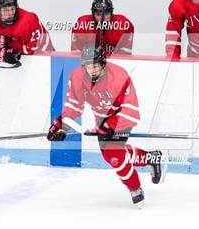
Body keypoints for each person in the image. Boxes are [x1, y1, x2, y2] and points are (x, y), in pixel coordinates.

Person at [47, 44, 166, 207]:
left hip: (122, 117)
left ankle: (135, 188)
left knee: (114, 155)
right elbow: (74, 106)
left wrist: (111, 125)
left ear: (103, 63)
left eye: (95, 65)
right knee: (113, 155)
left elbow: (131, 108)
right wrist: (61, 124)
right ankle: (152, 157)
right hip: (101, 119)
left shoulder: (119, 76)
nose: (91, 70)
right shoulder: (77, 77)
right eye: (88, 66)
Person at [0, 0, 54, 66]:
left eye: (12, 8)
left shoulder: (28, 21)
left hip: (45, 60)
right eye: (5, 10)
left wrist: (5, 45)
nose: (10, 13)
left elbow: (32, 50)